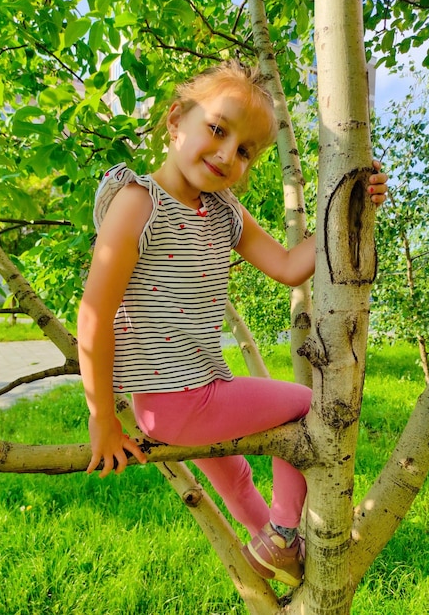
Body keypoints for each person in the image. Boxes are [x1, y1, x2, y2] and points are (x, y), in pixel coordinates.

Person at [77, 61, 388, 587]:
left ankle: (268, 547)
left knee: (235, 474)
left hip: (205, 384)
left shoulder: (224, 211)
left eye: (245, 151)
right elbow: (95, 315)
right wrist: (102, 418)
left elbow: (289, 265)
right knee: (307, 406)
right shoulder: (136, 203)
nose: (227, 155)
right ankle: (285, 534)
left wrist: (353, 208)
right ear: (177, 120)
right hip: (173, 397)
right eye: (218, 130)